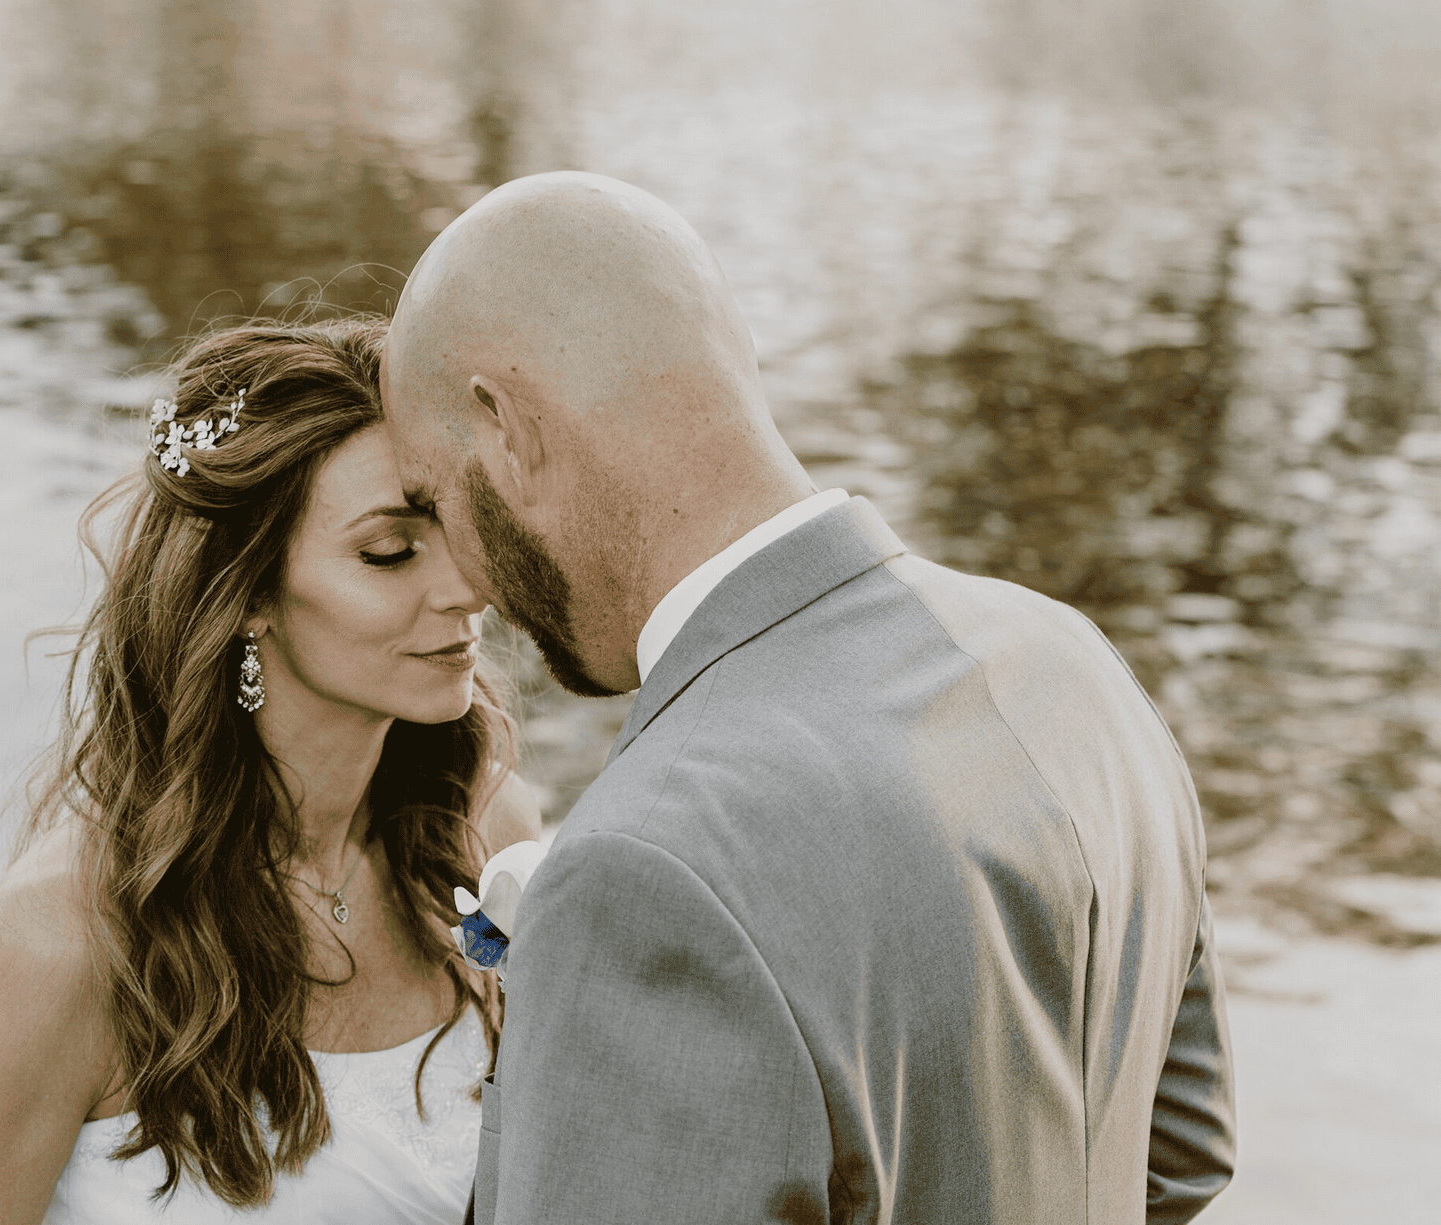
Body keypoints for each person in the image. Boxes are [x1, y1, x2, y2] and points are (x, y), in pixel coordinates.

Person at [380, 172, 1236, 1225]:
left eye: (431, 499)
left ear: (503, 429)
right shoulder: (1073, 665)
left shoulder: (643, 866)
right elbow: (1178, 1157)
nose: (461, 575)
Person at [0, 317, 541, 1225]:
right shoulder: (62, 943)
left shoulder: (486, 835)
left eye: (456, 527)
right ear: (250, 595)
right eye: (388, 552)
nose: (466, 586)